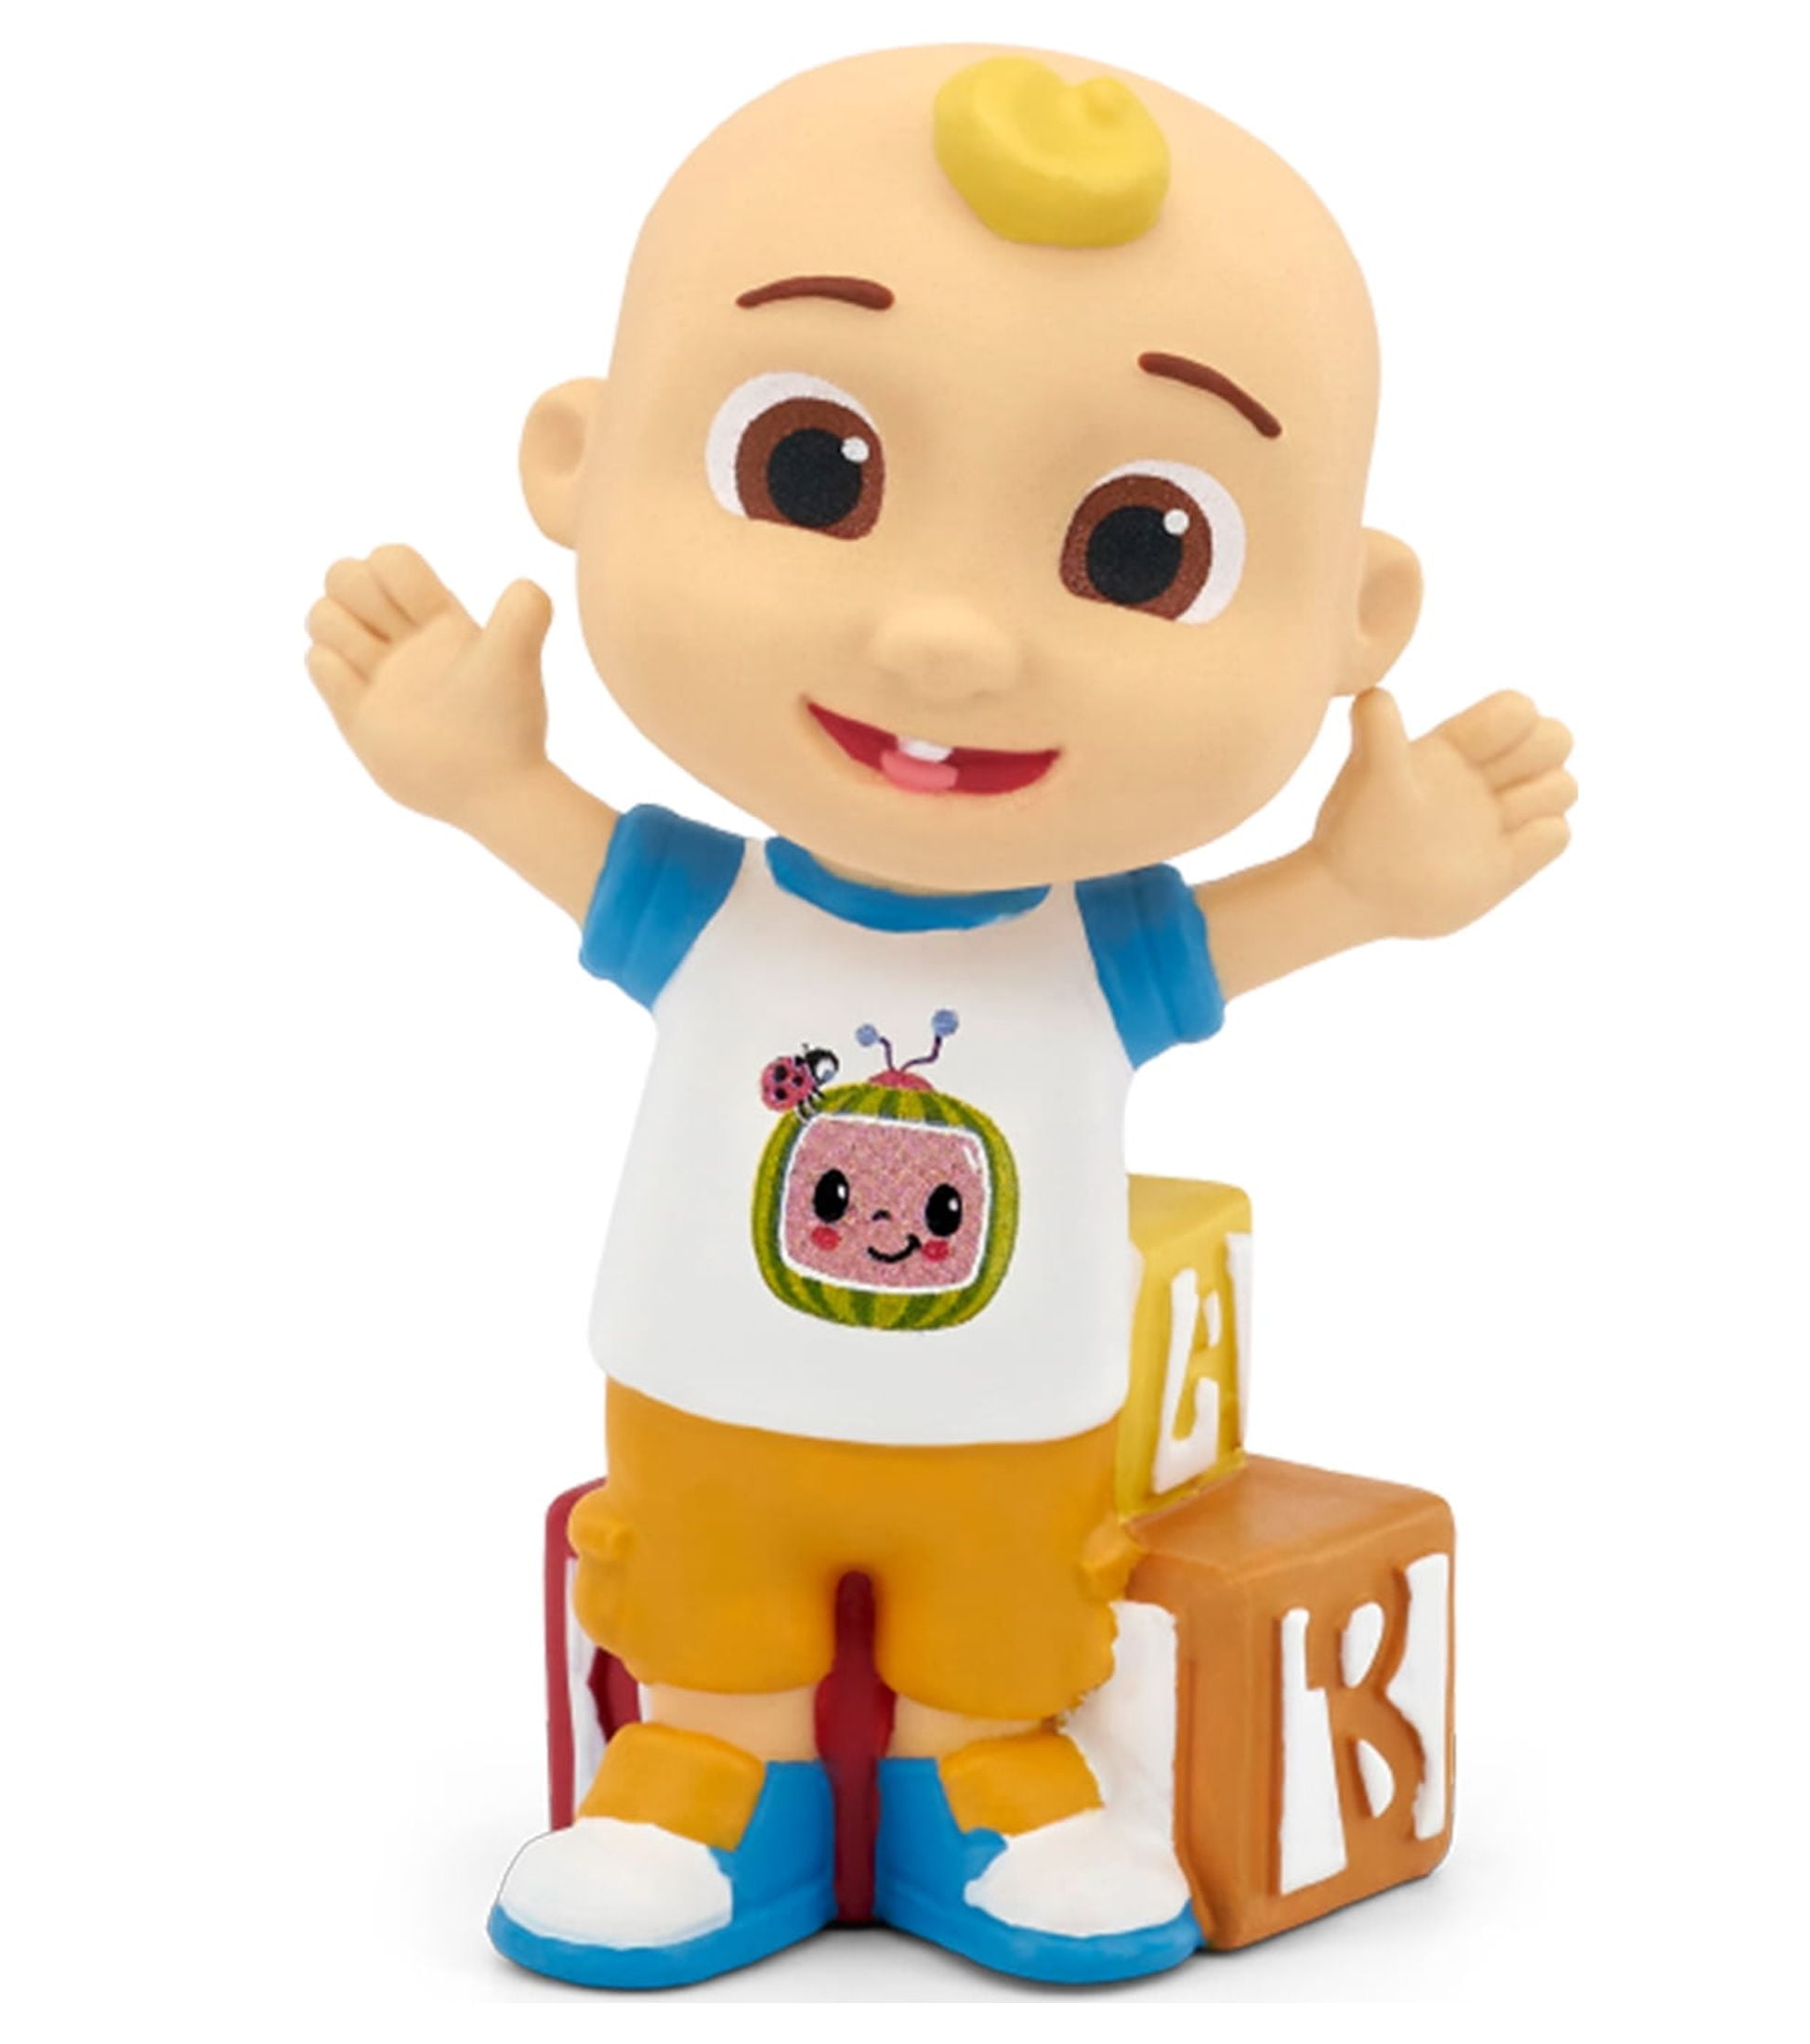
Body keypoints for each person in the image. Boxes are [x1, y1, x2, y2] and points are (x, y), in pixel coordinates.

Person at [303, 45, 1575, 1987]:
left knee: (1004, 1614)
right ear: (578, 457)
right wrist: (476, 776)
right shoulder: (708, 909)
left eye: (1137, 552)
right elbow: (545, 833)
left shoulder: (1091, 948)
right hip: (705, 1396)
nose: (948, 639)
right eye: (813, 474)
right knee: (698, 1585)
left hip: (1005, 1425)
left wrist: (1374, 886)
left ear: (1353, 618)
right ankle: (699, 1770)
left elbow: (1278, 926)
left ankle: (991, 1769)